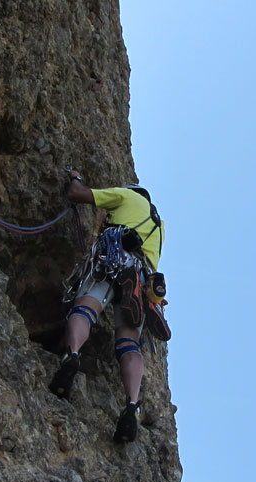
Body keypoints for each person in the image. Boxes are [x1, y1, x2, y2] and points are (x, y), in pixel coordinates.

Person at [49, 168, 167, 442]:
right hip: (141, 281)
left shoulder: (125, 195)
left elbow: (77, 195)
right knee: (129, 344)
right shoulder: (160, 227)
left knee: (85, 308)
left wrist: (76, 178)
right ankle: (131, 405)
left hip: (113, 259)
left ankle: (72, 354)